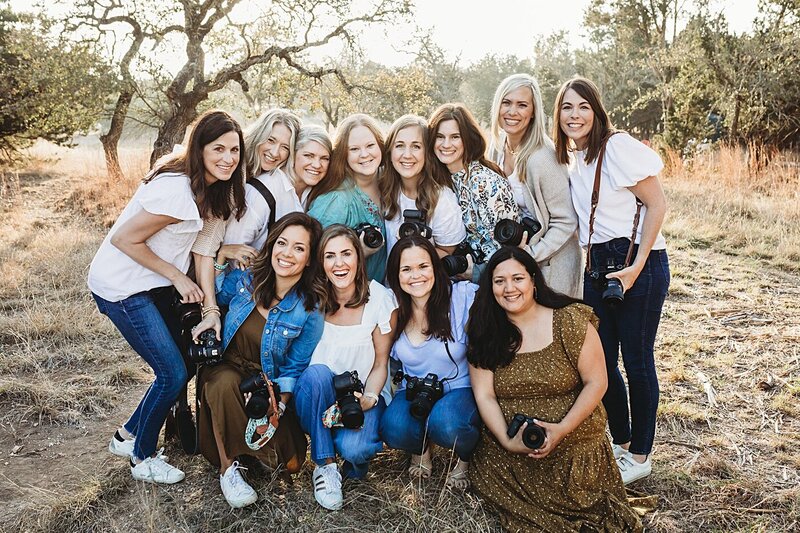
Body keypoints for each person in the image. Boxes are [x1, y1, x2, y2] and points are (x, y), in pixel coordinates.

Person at [88, 110, 247, 484]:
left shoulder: (211, 188)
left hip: (149, 284)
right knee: (171, 372)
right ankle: (142, 457)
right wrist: (177, 277)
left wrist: (210, 307)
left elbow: (205, 249)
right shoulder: (176, 190)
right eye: (218, 148)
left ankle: (126, 436)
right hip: (122, 287)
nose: (228, 158)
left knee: (184, 365)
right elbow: (124, 239)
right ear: (200, 148)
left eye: (235, 150)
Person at [466, 246, 642, 532]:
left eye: (517, 278)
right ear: (490, 287)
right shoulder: (484, 331)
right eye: (499, 281)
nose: (509, 288)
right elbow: (484, 394)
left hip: (575, 443)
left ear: (534, 280)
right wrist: (508, 441)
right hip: (511, 452)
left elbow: (597, 382)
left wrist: (561, 429)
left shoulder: (570, 320)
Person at [554, 76, 670, 484]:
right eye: (567, 107)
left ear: (596, 111)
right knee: (601, 361)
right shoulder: (572, 158)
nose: (575, 115)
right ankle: (621, 443)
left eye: (583, 106)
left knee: (637, 361)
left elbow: (657, 204)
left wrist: (636, 268)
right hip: (597, 265)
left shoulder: (617, 147)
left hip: (638, 260)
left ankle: (640, 455)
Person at [196, 212, 324, 508]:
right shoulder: (246, 280)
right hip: (225, 367)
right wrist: (221, 257)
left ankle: (251, 449)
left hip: (267, 385)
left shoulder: (310, 309)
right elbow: (213, 293)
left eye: (299, 248)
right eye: (282, 243)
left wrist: (278, 404)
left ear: (309, 259)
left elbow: (294, 366)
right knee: (223, 383)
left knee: (291, 463)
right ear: (272, 245)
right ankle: (229, 469)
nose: (287, 254)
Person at [294, 225, 397, 510]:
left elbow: (380, 363)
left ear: (358, 258)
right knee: (318, 374)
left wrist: (371, 397)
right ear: (320, 262)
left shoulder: (379, 299)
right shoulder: (311, 299)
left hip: (362, 396)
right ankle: (325, 465)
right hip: (315, 398)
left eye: (346, 254)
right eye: (330, 256)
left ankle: (350, 458)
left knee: (356, 448)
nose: (339, 264)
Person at [380, 235, 481, 489]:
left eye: (423, 266)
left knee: (446, 424)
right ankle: (421, 450)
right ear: (396, 274)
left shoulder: (461, 297)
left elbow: (497, 291)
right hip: (414, 388)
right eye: (407, 269)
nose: (416, 276)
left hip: (459, 388)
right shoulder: (392, 307)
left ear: (435, 268)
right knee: (393, 427)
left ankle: (464, 459)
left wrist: (473, 273)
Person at [488, 74, 582, 297]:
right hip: (515, 263)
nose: (512, 112)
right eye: (506, 103)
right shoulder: (497, 146)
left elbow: (565, 220)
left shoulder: (543, 157)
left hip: (550, 265)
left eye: (522, 105)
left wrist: (531, 254)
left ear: (533, 112)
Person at [427, 103, 518, 283]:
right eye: (439, 137)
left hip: (496, 283)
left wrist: (476, 272)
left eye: (455, 137)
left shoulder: (484, 181)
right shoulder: (445, 179)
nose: (446, 144)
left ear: (467, 139)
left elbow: (510, 252)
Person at [307, 114, 388, 282]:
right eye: (354, 149)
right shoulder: (336, 199)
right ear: (344, 154)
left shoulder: (389, 184)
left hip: (380, 296)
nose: (364, 154)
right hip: (345, 298)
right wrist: (361, 253)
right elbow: (313, 256)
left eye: (370, 145)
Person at [380, 114, 466, 256]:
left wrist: (415, 248)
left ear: (427, 152)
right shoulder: (384, 186)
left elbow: (448, 253)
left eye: (416, 146)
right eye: (400, 146)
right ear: (390, 151)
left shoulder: (442, 199)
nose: (407, 155)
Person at [223, 108, 301, 261]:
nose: (275, 152)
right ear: (259, 135)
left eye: (285, 147)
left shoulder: (274, 180)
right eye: (270, 140)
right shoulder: (231, 167)